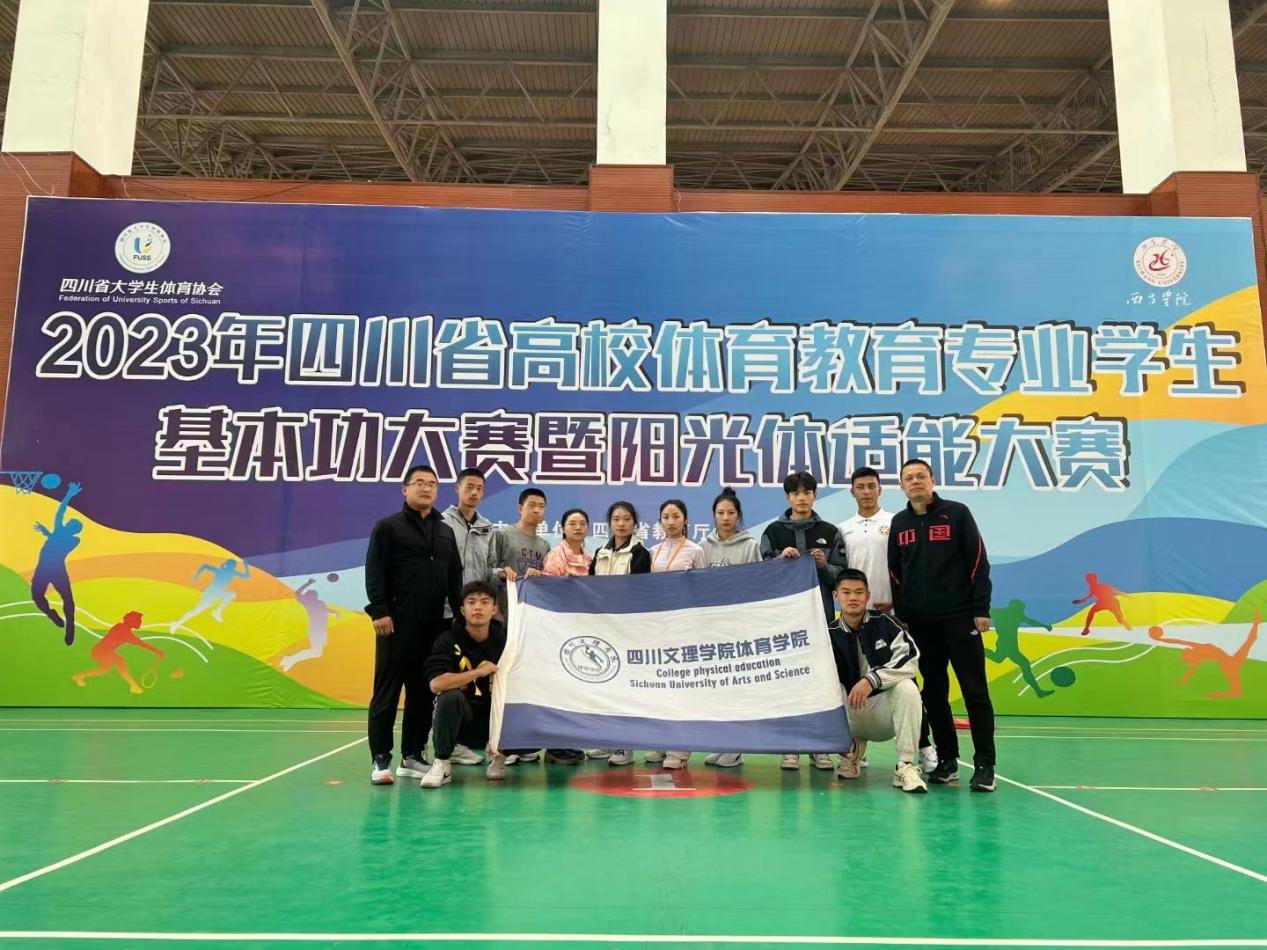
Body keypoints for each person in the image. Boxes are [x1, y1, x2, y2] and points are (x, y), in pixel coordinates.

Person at [887, 459, 996, 793]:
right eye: (909, 478)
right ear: (902, 486)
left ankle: (985, 764)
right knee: (933, 694)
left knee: (975, 690)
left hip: (960, 618)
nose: (915, 481)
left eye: (921, 476)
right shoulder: (900, 523)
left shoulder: (957, 514)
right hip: (921, 624)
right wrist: (904, 616)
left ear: (932, 480)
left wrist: (980, 609)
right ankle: (947, 760)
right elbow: (895, 573)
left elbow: (978, 562)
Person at [364, 464, 463, 786]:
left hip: (434, 625)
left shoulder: (445, 531)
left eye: (432, 484)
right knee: (387, 692)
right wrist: (380, 611)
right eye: (419, 483)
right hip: (395, 624)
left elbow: (454, 577)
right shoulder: (388, 527)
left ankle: (412, 756)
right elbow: (375, 570)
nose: (426, 488)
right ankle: (381, 758)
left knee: (422, 693)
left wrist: (459, 616)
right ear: (405, 490)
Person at [836, 466, 937, 773]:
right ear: (852, 492)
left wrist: (899, 603)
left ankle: (923, 746)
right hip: (855, 617)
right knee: (851, 678)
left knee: (906, 682)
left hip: (891, 615)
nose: (866, 492)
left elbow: (908, 566)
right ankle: (855, 746)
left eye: (872, 486)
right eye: (860, 487)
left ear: (880, 489)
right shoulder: (843, 529)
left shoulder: (896, 522)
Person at [760, 470, 843, 772]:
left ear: (814, 496)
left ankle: (819, 748)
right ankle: (790, 747)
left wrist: (825, 566)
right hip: (785, 622)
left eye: (807, 492)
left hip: (821, 619)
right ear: (788, 498)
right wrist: (780, 561)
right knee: (789, 683)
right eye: (796, 493)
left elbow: (842, 576)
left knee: (820, 682)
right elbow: (763, 575)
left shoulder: (830, 531)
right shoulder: (773, 532)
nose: (802, 498)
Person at [487, 488, 569, 764]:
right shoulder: (503, 535)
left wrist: (541, 575)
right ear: (519, 508)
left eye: (541, 506)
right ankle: (502, 745)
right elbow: (487, 570)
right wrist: (502, 572)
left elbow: (548, 583)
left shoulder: (545, 546)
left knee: (527, 683)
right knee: (503, 682)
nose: (536, 510)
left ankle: (523, 745)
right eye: (531, 505)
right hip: (504, 620)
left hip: (531, 625)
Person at [829, 571, 927, 794]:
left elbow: (910, 659)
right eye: (846, 592)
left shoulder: (886, 623)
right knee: (830, 688)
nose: (853, 598)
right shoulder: (829, 633)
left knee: (908, 688)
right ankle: (851, 750)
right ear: (836, 596)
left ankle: (905, 766)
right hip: (849, 715)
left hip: (883, 715)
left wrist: (872, 680)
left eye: (859, 592)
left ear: (868, 595)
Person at [420, 581, 510, 788]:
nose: (478, 607)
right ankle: (442, 763)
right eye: (471, 602)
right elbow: (436, 684)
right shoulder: (447, 639)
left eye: (485, 602)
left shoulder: (506, 641)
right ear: (462, 609)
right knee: (449, 695)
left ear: (494, 609)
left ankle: (499, 756)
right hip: (463, 722)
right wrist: (477, 672)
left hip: (495, 721)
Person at [700, 487, 760, 768]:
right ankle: (722, 742)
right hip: (712, 627)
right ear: (713, 515)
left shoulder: (750, 545)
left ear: (739, 515)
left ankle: (736, 747)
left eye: (731, 513)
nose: (725, 518)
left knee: (737, 687)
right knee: (716, 688)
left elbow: (757, 583)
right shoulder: (703, 546)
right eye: (720, 513)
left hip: (739, 626)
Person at [590, 500, 651, 766]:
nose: (621, 524)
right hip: (603, 628)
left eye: (626, 519)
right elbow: (590, 588)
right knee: (605, 685)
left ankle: (625, 745)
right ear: (609, 523)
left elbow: (639, 592)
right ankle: (607, 739)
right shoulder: (600, 552)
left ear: (634, 523)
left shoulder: (640, 553)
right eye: (616, 519)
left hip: (627, 629)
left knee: (626, 687)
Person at [648, 499, 708, 770]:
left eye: (675, 516)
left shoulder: (696, 551)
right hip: (658, 626)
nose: (670, 522)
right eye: (665, 517)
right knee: (661, 685)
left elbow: (702, 590)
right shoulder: (653, 551)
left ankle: (680, 748)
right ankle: (662, 742)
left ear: (685, 520)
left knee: (682, 686)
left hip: (684, 627)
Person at [31, 481, 84, 645]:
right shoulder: (61, 534)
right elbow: (56, 540)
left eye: (69, 524)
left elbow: (60, 513)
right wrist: (48, 533)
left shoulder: (73, 539)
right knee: (37, 596)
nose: (66, 523)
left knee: (68, 599)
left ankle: (70, 628)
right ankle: (52, 615)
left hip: (56, 570)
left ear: (73, 529)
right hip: (44, 569)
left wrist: (68, 495)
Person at [441, 467, 495, 621]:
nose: (474, 492)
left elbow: (490, 567)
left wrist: (501, 574)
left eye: (479, 489)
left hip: (476, 609)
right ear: (457, 488)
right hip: (445, 609)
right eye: (469, 487)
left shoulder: (487, 527)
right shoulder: (442, 522)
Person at [72, 610, 164, 694]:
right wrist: (157, 651)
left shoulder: (121, 627)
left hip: (101, 651)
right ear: (132, 621)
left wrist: (157, 651)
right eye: (138, 620)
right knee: (119, 661)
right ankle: (134, 686)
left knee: (104, 669)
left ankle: (79, 676)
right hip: (101, 652)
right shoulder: (125, 631)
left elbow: (140, 643)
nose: (140, 622)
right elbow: (141, 644)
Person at [169, 557, 251, 634]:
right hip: (212, 591)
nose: (232, 567)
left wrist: (245, 566)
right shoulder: (223, 570)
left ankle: (217, 611)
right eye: (231, 565)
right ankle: (177, 623)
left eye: (233, 566)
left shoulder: (229, 571)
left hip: (219, 590)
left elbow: (247, 577)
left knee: (231, 594)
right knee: (197, 610)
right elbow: (205, 566)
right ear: (228, 565)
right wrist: (196, 575)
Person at [280, 579, 344, 673]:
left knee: (318, 652)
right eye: (312, 595)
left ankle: (290, 659)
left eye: (315, 595)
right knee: (316, 652)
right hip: (315, 630)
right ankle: (290, 659)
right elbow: (297, 593)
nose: (314, 596)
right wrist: (308, 583)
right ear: (308, 597)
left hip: (322, 631)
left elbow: (325, 610)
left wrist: (336, 612)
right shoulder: (307, 603)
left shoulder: (320, 603)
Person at [542, 509, 592, 577]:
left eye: (582, 524)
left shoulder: (589, 558)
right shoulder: (555, 556)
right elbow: (548, 582)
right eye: (572, 524)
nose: (578, 527)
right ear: (563, 529)